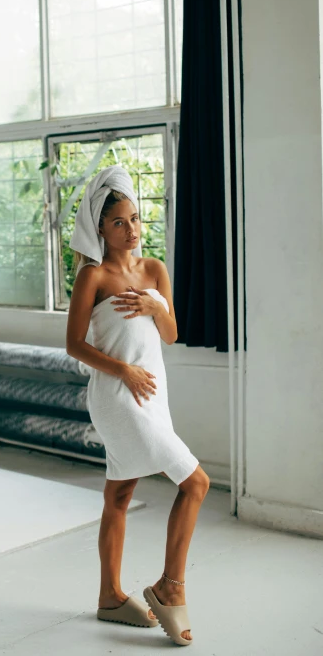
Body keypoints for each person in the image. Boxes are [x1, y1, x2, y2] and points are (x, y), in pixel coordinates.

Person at [66, 164, 210, 646]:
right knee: (197, 483)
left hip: (154, 397)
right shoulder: (93, 276)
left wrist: (157, 307)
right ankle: (171, 588)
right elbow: (74, 346)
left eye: (134, 219)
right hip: (115, 395)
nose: (131, 230)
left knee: (119, 496)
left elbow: (169, 335)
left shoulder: (154, 271)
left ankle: (110, 596)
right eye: (119, 223)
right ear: (100, 229)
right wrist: (122, 370)